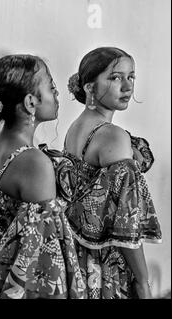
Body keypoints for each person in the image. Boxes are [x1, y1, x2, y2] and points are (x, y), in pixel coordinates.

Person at [0, 54, 85, 299]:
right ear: (30, 102)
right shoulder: (34, 163)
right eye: (51, 87)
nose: (57, 94)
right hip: (9, 280)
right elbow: (41, 260)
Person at [63, 47, 162, 299]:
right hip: (103, 265)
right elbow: (124, 226)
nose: (127, 86)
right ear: (90, 88)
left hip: (73, 256)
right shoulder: (111, 136)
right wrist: (143, 282)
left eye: (131, 77)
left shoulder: (76, 128)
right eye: (115, 77)